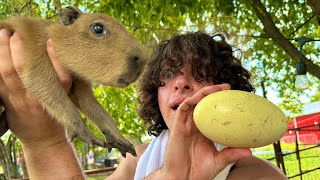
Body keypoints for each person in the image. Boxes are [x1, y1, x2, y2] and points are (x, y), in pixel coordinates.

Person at [0, 29, 288, 179]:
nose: (181, 83)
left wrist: (45, 143)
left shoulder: (256, 174)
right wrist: (44, 137)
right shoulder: (137, 159)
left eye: (200, 74)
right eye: (168, 74)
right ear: (155, 94)